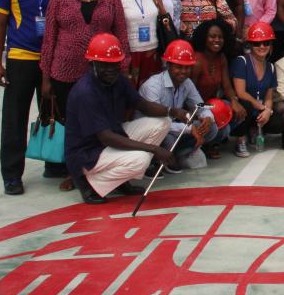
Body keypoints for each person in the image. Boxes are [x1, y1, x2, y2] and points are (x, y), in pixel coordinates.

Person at [40, 0, 129, 188]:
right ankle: (74, 172)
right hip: (65, 72)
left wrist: (123, 67)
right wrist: (46, 78)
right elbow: (49, 39)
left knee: (102, 124)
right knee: (73, 126)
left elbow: (121, 35)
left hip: (102, 74)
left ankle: (98, 168)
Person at [65, 33, 184, 205]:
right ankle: (89, 184)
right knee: (141, 160)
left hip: (111, 137)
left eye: (115, 64)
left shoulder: (117, 79)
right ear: (93, 64)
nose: (111, 69)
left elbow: (142, 105)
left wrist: (173, 111)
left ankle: (119, 181)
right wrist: (153, 149)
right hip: (88, 152)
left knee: (163, 122)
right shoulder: (86, 92)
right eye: (105, 65)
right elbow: (106, 137)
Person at [0, 0, 69, 195]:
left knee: (52, 113)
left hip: (52, 60)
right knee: (15, 118)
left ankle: (54, 163)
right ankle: (12, 175)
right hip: (21, 59)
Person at [138, 40, 224, 171]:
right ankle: (158, 160)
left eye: (187, 67)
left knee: (212, 128)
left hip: (171, 127)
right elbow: (156, 123)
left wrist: (207, 117)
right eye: (179, 67)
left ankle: (176, 155)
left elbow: (200, 105)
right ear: (168, 65)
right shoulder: (153, 86)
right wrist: (190, 128)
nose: (183, 71)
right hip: (150, 130)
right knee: (168, 140)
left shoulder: (186, 82)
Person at [190, 18, 245, 158]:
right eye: (212, 36)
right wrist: (203, 112)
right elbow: (189, 95)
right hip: (196, 107)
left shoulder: (221, 58)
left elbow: (227, 86)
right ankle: (206, 144)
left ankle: (212, 142)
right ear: (204, 38)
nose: (217, 40)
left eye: (220, 37)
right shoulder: (197, 61)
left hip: (212, 104)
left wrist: (234, 101)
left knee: (239, 111)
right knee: (224, 128)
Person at [229, 22, 279, 157]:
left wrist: (267, 111)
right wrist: (260, 106)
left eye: (266, 43)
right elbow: (240, 92)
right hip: (245, 108)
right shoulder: (242, 61)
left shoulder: (271, 67)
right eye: (257, 43)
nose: (262, 46)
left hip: (259, 109)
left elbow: (269, 97)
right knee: (245, 104)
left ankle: (253, 130)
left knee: (278, 120)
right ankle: (240, 140)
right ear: (250, 45)